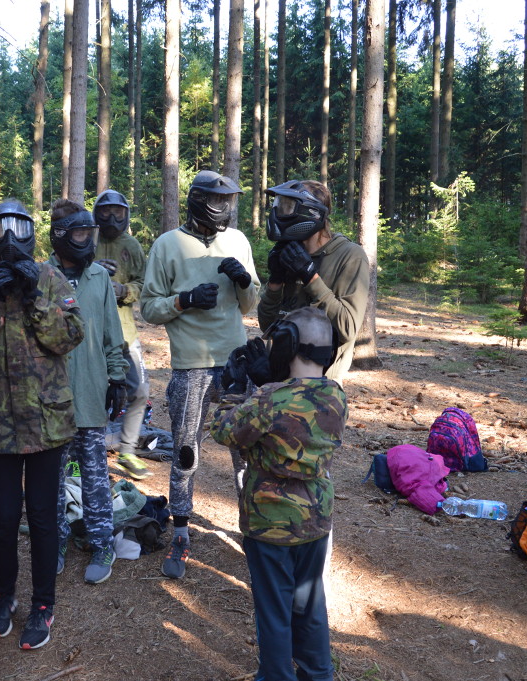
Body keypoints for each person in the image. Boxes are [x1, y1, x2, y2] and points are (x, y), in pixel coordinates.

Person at [0, 199, 85, 650]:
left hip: (47, 422)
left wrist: (33, 296)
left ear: (30, 233)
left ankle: (43, 603)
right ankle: (2, 597)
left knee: (44, 518)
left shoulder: (49, 277)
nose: (9, 239)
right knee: (3, 519)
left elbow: (68, 337)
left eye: (17, 229)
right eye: (0, 230)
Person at [209, 306, 347, 681]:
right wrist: (269, 383)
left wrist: (232, 390)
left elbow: (224, 431)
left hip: (269, 524)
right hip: (315, 522)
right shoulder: (336, 396)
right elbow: (296, 407)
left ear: (288, 345)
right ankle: (319, 674)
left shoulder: (269, 400)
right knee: (309, 605)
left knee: (273, 611)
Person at [140, 169, 260, 579]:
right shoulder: (167, 245)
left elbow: (249, 304)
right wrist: (185, 300)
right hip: (190, 365)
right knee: (186, 450)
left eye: (228, 201)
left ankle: (252, 531)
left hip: (236, 363)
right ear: (197, 201)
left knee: (246, 451)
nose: (223, 208)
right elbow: (149, 308)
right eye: (217, 200)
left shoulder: (238, 241)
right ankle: (180, 530)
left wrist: (242, 280)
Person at [47, 199, 129, 584]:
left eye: (88, 233)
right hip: (51, 397)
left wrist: (117, 378)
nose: (86, 241)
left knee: (96, 476)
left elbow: (113, 334)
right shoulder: (42, 276)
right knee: (51, 479)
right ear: (61, 236)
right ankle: (55, 540)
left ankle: (101, 542)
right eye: (79, 234)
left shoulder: (98, 278)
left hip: (92, 392)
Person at [257, 179, 368, 384]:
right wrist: (275, 281)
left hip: (320, 386)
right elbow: (267, 325)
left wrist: (310, 277)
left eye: (287, 207)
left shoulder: (350, 255)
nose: (278, 213)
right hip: (279, 379)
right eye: (278, 205)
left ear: (311, 212)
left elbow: (347, 328)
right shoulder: (289, 252)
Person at [92, 189, 152, 480]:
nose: (112, 218)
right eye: (105, 212)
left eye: (118, 212)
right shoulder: (86, 239)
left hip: (125, 332)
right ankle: (89, 454)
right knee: (94, 395)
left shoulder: (131, 245)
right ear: (96, 213)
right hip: (90, 333)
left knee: (139, 391)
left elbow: (144, 283)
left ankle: (127, 450)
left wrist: (124, 291)